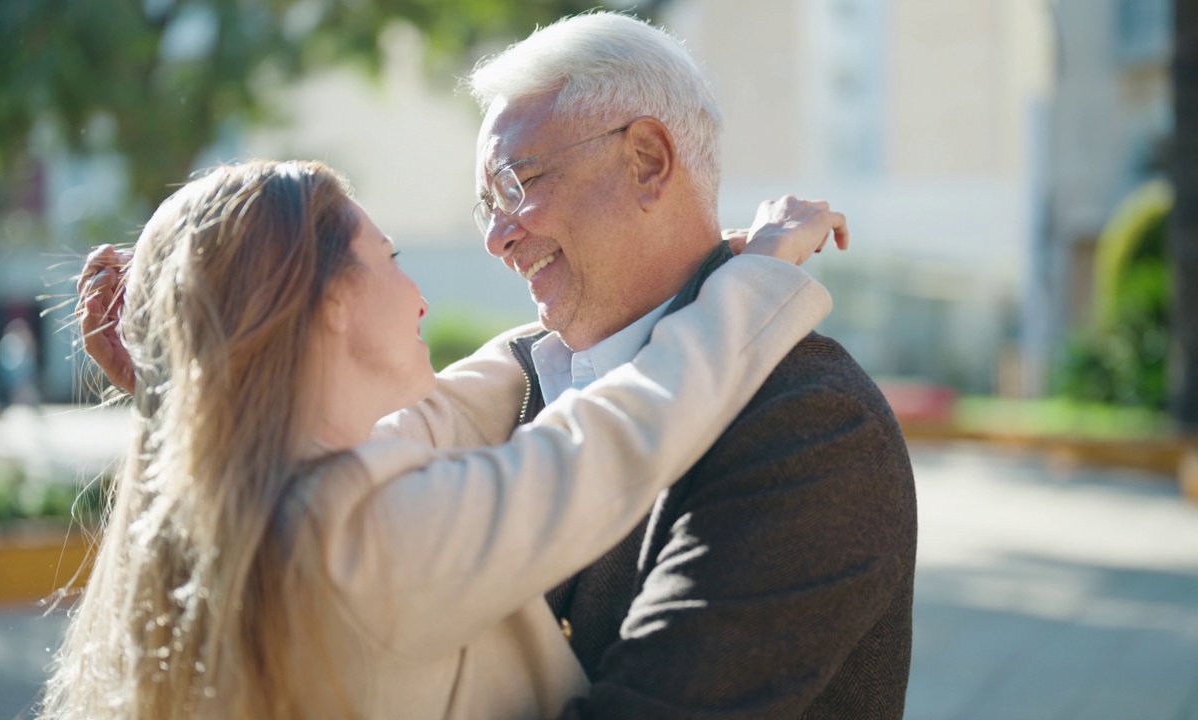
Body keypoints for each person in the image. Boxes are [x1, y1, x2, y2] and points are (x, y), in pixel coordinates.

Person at [81, 12, 916, 718]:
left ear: (649, 162)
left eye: (518, 183)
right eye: (487, 206)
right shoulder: (373, 505)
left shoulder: (811, 420)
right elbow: (609, 433)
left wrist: (191, 374)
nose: (494, 236)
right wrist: (754, 278)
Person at [50, 159, 838, 719]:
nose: (420, 296)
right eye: (391, 261)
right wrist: (761, 273)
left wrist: (638, 294)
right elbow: (618, 437)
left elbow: (458, 407)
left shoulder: (237, 507)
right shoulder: (355, 539)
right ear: (328, 303)